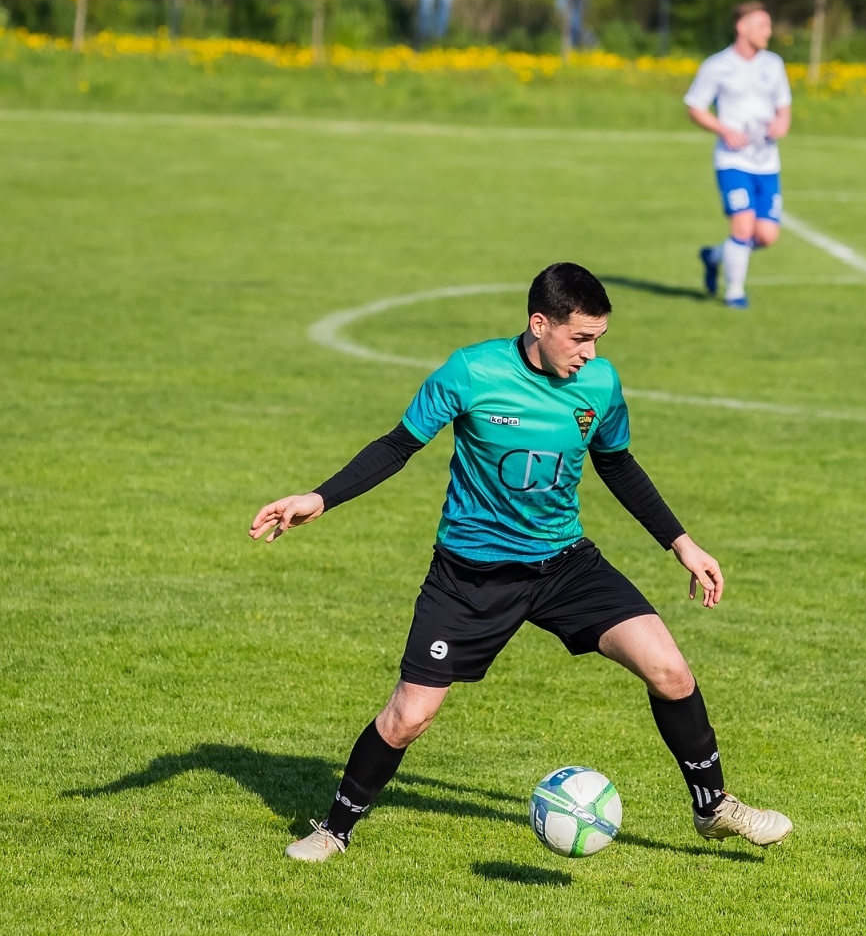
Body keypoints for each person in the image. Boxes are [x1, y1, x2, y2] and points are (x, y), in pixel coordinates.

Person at [250, 263, 792, 859]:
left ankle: (713, 807)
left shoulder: (600, 384)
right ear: (540, 324)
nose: (590, 353)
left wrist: (681, 543)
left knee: (670, 671)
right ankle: (334, 829)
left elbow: (617, 463)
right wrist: (319, 497)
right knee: (409, 717)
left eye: (598, 340)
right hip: (471, 578)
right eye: (580, 338)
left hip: (565, 565)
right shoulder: (472, 372)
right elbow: (398, 446)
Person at [684, 1, 792, 310]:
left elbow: (784, 106)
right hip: (732, 161)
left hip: (767, 161)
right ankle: (734, 292)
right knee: (742, 227)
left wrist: (781, 123)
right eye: (763, 26)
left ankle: (714, 256)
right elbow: (695, 106)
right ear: (741, 27)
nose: (768, 32)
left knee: (767, 235)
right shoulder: (717, 66)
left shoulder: (774, 64)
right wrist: (723, 129)